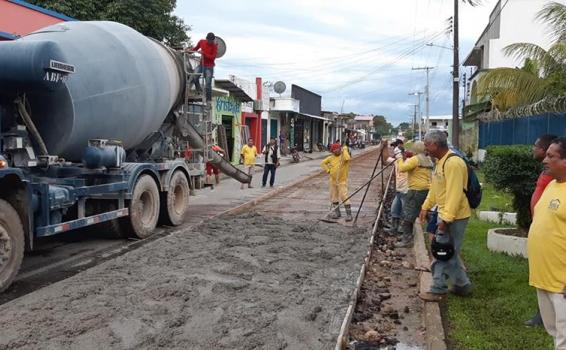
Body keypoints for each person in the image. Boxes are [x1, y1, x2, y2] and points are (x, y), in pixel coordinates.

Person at [419, 130, 472, 301]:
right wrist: (425, 207)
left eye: (427, 144)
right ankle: (462, 285)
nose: (425, 148)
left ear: (435, 144)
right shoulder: (439, 163)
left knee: (441, 252)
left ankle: (437, 288)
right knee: (450, 252)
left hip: (455, 216)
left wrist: (446, 219)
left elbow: (455, 194)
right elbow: (436, 190)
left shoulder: (453, 163)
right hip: (445, 213)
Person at [528, 137, 566, 349]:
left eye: (552, 156)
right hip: (544, 277)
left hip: (562, 282)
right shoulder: (552, 184)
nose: (545, 159)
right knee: (555, 332)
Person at [524, 134, 558, 327]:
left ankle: (545, 315)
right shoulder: (550, 176)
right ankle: (544, 313)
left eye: (536, 146)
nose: (533, 150)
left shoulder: (556, 178)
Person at [395, 141, 433, 247]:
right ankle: (435, 233)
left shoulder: (415, 159)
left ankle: (406, 240)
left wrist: (399, 158)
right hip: (427, 190)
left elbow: (402, 168)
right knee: (427, 213)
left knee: (408, 215)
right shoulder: (428, 159)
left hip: (415, 190)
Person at [321, 143, 353, 221]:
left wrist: (345, 149)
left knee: (344, 196)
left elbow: (347, 158)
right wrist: (328, 170)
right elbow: (322, 163)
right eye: (334, 150)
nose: (335, 151)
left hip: (342, 181)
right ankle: (337, 213)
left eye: (337, 149)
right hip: (333, 181)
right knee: (334, 197)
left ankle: (349, 215)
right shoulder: (331, 158)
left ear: (340, 149)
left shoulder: (343, 157)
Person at [385, 139, 409, 233]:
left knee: (405, 212)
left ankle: (404, 231)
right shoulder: (396, 161)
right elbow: (386, 159)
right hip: (399, 191)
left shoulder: (409, 162)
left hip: (406, 191)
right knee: (394, 210)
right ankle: (394, 228)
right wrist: (384, 147)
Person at [187, 32, 218, 102]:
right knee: (194, 77)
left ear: (213, 40)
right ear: (206, 39)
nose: (210, 42)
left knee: (208, 84)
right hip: (201, 64)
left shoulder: (215, 46)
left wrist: (204, 53)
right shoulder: (201, 42)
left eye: (212, 40)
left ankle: (208, 100)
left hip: (209, 67)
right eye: (209, 40)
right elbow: (195, 48)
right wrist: (188, 51)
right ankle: (199, 91)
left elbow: (213, 57)